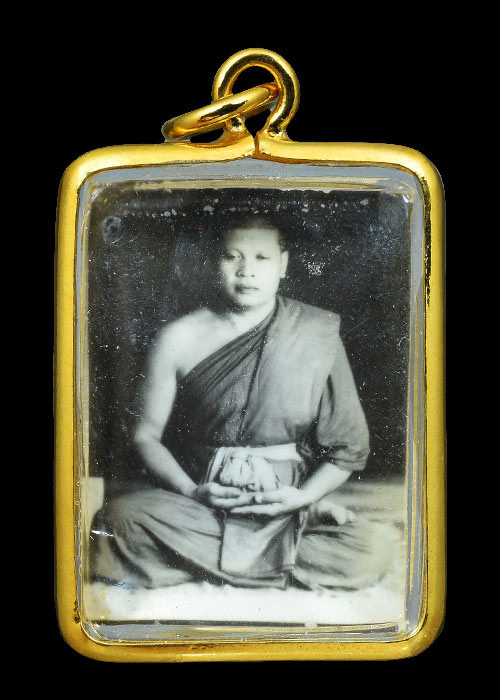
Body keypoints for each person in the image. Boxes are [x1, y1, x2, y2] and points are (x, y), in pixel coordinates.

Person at [92, 214, 394, 590]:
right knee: (117, 521)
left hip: (283, 502)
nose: (246, 271)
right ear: (213, 262)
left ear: (283, 264)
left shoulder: (316, 333)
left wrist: (301, 498)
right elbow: (145, 435)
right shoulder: (178, 337)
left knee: (373, 549)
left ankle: (209, 558)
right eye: (231, 256)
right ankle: (276, 561)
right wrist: (190, 491)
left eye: (261, 258)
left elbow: (348, 450)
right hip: (204, 502)